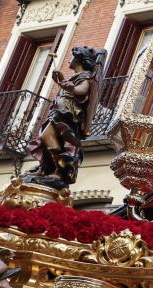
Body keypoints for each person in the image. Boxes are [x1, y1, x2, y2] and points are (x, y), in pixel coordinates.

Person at [23, 46, 106, 189]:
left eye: (72, 56)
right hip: (59, 110)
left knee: (50, 136)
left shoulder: (85, 76)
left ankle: (59, 170)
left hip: (68, 113)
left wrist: (69, 86)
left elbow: (82, 90)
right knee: (46, 137)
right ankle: (46, 167)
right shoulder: (76, 76)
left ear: (79, 59)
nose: (70, 59)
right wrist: (61, 81)